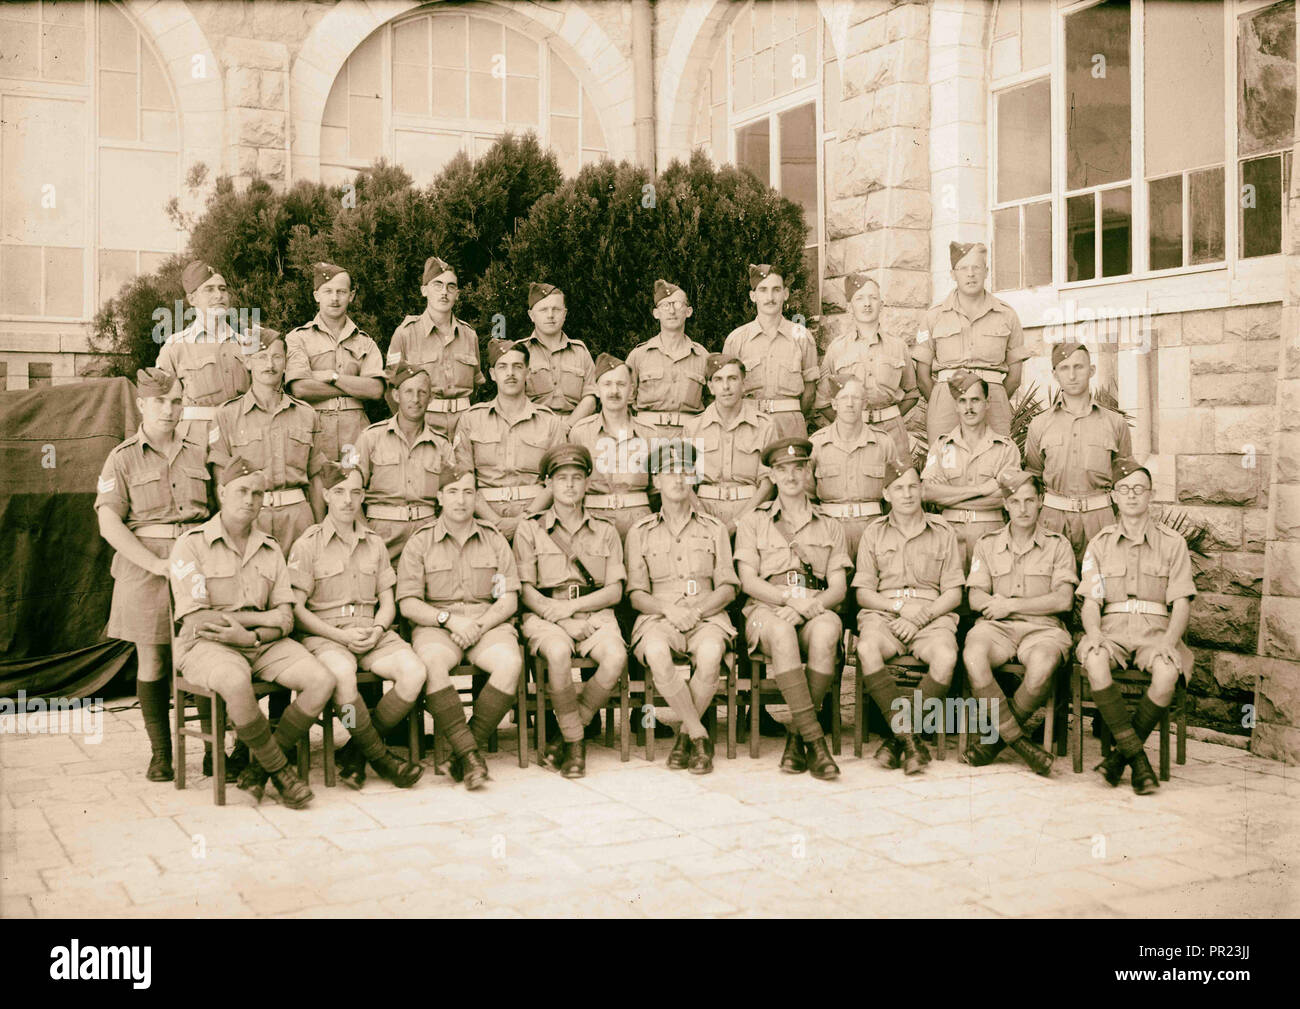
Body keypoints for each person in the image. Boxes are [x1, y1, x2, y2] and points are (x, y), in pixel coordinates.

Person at [168, 457, 335, 809]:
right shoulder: (191, 544)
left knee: (321, 680)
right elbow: (198, 619)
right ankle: (281, 772)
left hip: (262, 644)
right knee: (233, 680)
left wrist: (252, 637)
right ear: (222, 492)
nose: (250, 500)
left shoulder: (270, 547)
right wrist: (258, 623)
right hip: (207, 645)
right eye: (242, 491)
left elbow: (286, 617)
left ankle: (258, 768)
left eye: (258, 493)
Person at [95, 368, 211, 781]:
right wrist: (157, 565)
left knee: (209, 650)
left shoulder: (201, 452)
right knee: (155, 657)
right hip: (145, 566)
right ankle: (162, 752)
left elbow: (218, 512)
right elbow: (110, 524)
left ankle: (215, 748)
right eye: (160, 401)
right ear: (142, 404)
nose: (169, 408)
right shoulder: (122, 457)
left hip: (198, 559)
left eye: (176, 401)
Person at [286, 462, 425, 790]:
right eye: (339, 492)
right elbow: (297, 609)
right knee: (342, 676)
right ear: (325, 495)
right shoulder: (308, 544)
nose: (348, 500)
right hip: (327, 635)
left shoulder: (374, 543)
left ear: (363, 496)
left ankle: (355, 751)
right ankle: (380, 757)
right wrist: (337, 635)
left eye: (355, 492)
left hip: (371, 631)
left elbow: (388, 601)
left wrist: (377, 630)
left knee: (415, 672)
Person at [397, 466, 523, 790]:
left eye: (468, 492)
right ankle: (469, 755)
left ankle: (462, 753)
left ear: (477, 497)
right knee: (431, 664)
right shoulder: (420, 542)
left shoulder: (494, 539)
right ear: (439, 497)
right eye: (452, 492)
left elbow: (508, 600)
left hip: (486, 623)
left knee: (510, 663)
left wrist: (478, 625)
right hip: (438, 625)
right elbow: (409, 604)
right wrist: (449, 620)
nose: (461, 499)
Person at [1076, 458, 1196, 795]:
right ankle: (1138, 763)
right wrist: (1095, 634)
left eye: (1138, 489)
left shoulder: (1173, 544)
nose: (1131, 496)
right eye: (1124, 490)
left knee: (1168, 674)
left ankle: (1118, 760)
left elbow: (1182, 601)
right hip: (1111, 629)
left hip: (1156, 630)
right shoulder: (1099, 544)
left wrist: (1170, 641)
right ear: (1114, 496)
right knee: (1095, 661)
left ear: (1150, 495)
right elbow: (1090, 602)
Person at [735, 438, 851, 781]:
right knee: (783, 631)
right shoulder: (754, 521)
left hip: (812, 606)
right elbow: (748, 581)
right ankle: (815, 741)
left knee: (829, 630)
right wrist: (787, 601)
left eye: (798, 467)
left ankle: (798, 737)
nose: (791, 475)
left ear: (808, 472)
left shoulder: (829, 524)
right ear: (772, 475)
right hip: (767, 607)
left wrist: (807, 607)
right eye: (783, 469)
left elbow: (839, 587)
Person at [514, 445, 628, 779]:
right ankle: (576, 744)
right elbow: (525, 590)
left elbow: (615, 590)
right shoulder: (530, 528)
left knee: (615, 656)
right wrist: (561, 617)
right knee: (559, 651)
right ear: (548, 484)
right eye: (561, 478)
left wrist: (574, 609)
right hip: (546, 612)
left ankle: (571, 726)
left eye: (577, 478)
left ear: (587, 483)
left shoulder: (605, 529)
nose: (569, 486)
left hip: (594, 611)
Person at [626, 442, 738, 775]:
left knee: (710, 655)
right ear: (655, 482)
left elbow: (729, 588)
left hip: (706, 615)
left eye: (685, 472)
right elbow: (635, 594)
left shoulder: (714, 528)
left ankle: (685, 738)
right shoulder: (639, 531)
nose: (678, 479)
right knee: (657, 652)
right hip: (659, 617)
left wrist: (698, 612)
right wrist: (668, 610)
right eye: (668, 473)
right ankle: (699, 735)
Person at [853, 460, 964, 774]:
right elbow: (863, 593)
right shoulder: (873, 533)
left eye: (913, 486)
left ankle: (897, 738)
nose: (907, 494)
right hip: (886, 614)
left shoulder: (944, 532)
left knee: (945, 656)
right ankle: (912, 742)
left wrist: (919, 617)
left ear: (923, 489)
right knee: (866, 648)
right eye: (899, 488)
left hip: (931, 617)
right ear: (886, 494)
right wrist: (900, 611)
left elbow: (954, 594)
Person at [961, 472, 1074, 775]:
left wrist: (1010, 604)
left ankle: (993, 742)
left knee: (1042, 666)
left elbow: (1064, 600)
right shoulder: (987, 544)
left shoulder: (1058, 545)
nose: (1022, 508)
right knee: (973, 655)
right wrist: (997, 608)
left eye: (1029, 501)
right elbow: (975, 597)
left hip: (1043, 629)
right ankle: (1020, 744)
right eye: (1015, 501)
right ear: (1005, 505)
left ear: (1040, 503)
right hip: (997, 627)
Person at [209, 328, 325, 553]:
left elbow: (317, 477)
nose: (269, 365)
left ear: (285, 363)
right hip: (250, 518)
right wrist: (230, 525)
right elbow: (220, 479)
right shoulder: (227, 415)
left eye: (276, 357)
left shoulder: (306, 414)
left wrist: (319, 527)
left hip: (299, 520)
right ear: (248, 362)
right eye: (261, 357)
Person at [1025, 342, 1133, 563]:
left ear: (1091, 370)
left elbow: (1126, 478)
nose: (1072, 375)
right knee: (1053, 588)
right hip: (1052, 521)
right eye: (1064, 368)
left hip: (1100, 521)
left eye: (1079, 367)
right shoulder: (1039, 424)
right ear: (1055, 374)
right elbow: (1033, 478)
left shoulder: (1115, 423)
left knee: (1100, 589)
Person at [913, 242, 1028, 447]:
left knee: (997, 461)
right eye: (963, 268)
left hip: (992, 401)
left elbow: (1015, 377)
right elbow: (922, 378)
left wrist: (992, 397)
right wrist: (943, 400)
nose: (971, 274)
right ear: (952, 274)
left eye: (976, 267)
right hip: (946, 402)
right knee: (944, 462)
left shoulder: (1007, 315)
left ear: (986, 271)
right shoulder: (934, 316)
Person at [452, 339, 566, 541]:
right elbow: (464, 478)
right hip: (483, 521)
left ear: (528, 372)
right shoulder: (471, 419)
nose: (510, 373)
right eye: (502, 367)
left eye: (517, 366)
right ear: (492, 374)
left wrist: (524, 520)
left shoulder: (550, 422)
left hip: (535, 519)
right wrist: (495, 523)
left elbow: (556, 481)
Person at [284, 262, 386, 463]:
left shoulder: (365, 342)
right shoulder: (298, 338)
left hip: (356, 433)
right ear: (316, 296)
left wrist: (333, 377)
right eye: (328, 291)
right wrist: (355, 386)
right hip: (314, 429)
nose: (335, 298)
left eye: (341, 291)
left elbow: (375, 390)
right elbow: (300, 388)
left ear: (352, 295)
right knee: (317, 487)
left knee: (354, 485)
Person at [920, 371, 1021, 570]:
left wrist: (948, 494)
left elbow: (1007, 495)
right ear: (956, 406)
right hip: (948, 534)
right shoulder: (941, 446)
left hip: (992, 533)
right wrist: (983, 489)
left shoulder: (1006, 448)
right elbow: (927, 492)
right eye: (963, 401)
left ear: (987, 403)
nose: (969, 408)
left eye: (975, 400)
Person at [354, 363, 454, 561]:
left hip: (427, 533)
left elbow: (451, 499)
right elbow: (350, 491)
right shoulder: (370, 438)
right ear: (396, 396)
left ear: (431, 398)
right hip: (381, 532)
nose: (415, 399)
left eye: (422, 392)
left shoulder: (442, 445)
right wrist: (366, 537)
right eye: (409, 392)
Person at [816, 272, 918, 461]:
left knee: (897, 484)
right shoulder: (837, 349)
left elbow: (912, 393)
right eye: (859, 298)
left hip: (892, 433)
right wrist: (847, 422)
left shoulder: (898, 346)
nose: (867, 304)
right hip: (851, 433)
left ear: (881, 304)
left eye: (873, 297)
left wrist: (890, 417)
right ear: (850, 307)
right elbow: (822, 401)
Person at [385, 255, 483, 439]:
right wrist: (408, 424)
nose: (444, 292)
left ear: (457, 294)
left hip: (466, 426)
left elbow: (476, 386)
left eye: (450, 286)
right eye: (437, 285)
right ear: (424, 291)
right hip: (424, 423)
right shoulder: (405, 333)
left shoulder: (469, 335)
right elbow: (391, 388)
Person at [155, 260, 250, 442]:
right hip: (195, 440)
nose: (218, 295)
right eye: (209, 289)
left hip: (241, 436)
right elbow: (161, 403)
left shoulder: (247, 342)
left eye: (222, 289)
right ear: (192, 299)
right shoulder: (176, 346)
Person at [682, 354, 777, 534]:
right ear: (710, 387)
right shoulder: (693, 428)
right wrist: (704, 519)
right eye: (718, 380)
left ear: (744, 384)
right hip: (703, 513)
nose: (726, 387)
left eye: (732, 379)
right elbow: (686, 482)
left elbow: (768, 483)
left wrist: (738, 522)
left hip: (750, 513)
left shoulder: (764, 426)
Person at [722, 264, 818, 439]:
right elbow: (726, 389)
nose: (770, 297)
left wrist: (789, 414)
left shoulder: (802, 337)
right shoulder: (736, 340)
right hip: (749, 424)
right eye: (763, 290)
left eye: (776, 290)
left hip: (790, 426)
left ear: (785, 294)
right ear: (753, 296)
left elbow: (810, 392)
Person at [809, 376, 900, 556]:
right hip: (829, 532)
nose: (850, 404)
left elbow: (895, 495)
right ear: (834, 404)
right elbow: (806, 496)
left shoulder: (883, 442)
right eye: (843, 398)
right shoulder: (817, 445)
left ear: (865, 404)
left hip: (873, 531)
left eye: (856, 398)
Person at [569, 353, 656, 538]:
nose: (614, 391)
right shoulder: (580, 433)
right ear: (597, 390)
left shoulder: (650, 433)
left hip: (640, 521)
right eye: (607, 384)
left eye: (621, 384)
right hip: (593, 520)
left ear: (632, 391)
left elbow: (657, 490)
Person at [627, 280, 710, 442]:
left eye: (678, 304)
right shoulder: (639, 355)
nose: (672, 311)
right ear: (656, 313)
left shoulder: (702, 356)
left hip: (690, 436)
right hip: (646, 435)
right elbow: (625, 402)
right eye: (665, 305)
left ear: (689, 311)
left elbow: (713, 402)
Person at [518, 282, 597, 426]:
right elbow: (514, 398)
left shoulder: (580, 351)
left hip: (575, 427)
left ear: (565, 314)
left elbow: (591, 398)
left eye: (556, 309)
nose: (550, 315)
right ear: (531, 315)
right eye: (543, 310)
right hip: (532, 427)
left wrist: (568, 427)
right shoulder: (519, 351)